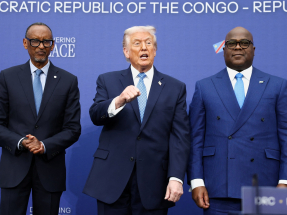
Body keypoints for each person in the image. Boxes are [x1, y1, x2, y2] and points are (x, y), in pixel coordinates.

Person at [83, 26, 190, 215]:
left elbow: (180, 137)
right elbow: (95, 115)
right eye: (137, 43)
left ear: (155, 50)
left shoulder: (175, 87)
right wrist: (119, 100)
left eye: (149, 43)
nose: (144, 48)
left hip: (154, 183)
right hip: (112, 180)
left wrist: (176, 177)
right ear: (126, 51)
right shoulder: (108, 80)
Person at [187, 26, 287, 214]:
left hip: (266, 184)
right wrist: (196, 181)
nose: (238, 47)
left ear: (253, 50)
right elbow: (195, 139)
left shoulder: (278, 86)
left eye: (245, 43)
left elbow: (286, 136)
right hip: (218, 186)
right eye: (232, 43)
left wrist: (285, 181)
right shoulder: (204, 86)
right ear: (224, 50)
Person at [0, 22, 81, 215]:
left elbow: (72, 128)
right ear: (25, 43)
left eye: (46, 42)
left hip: (50, 168)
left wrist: (43, 145)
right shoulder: (7, 77)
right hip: (14, 167)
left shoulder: (68, 80)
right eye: (35, 41)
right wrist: (21, 142)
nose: (41, 46)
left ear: (53, 45)